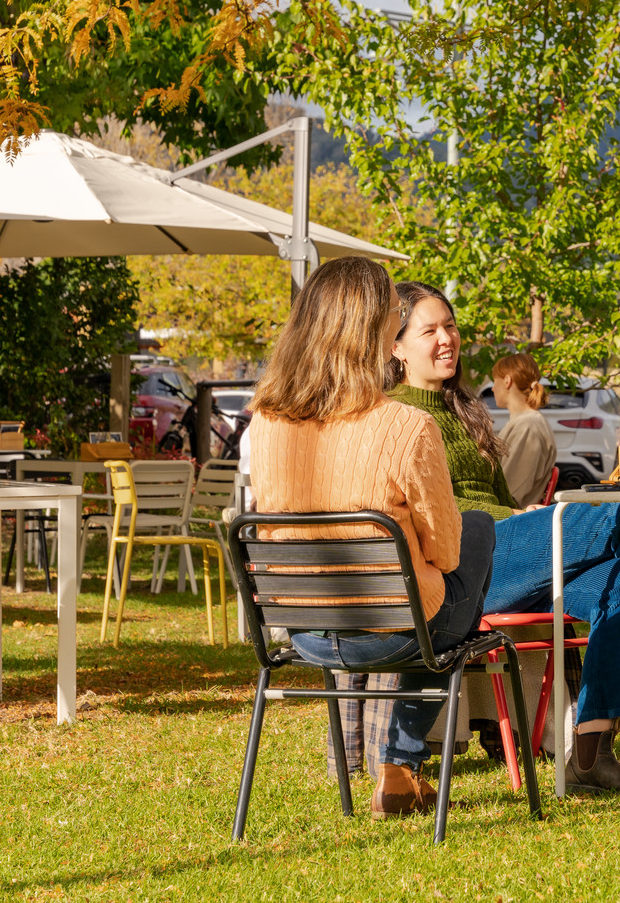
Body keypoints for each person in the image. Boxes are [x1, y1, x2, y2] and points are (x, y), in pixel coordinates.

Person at [387, 281, 620, 795]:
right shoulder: (399, 417)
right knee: (616, 513)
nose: (446, 338)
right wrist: (513, 513)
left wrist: (513, 511)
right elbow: (436, 511)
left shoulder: (463, 410)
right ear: (396, 347)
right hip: (461, 570)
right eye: (429, 330)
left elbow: (492, 495)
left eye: (451, 326)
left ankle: (590, 753)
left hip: (504, 550)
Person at [246, 257, 494, 820]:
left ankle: (400, 766)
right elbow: (448, 552)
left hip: (304, 630)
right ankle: (401, 762)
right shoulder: (407, 426)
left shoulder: (265, 421)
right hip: (396, 633)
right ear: (375, 329)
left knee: (421, 599)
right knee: (472, 541)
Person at [489, 353, 556, 507]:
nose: (492, 388)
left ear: (507, 381)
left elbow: (510, 494)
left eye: (494, 381)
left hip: (510, 524)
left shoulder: (528, 427)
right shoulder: (524, 423)